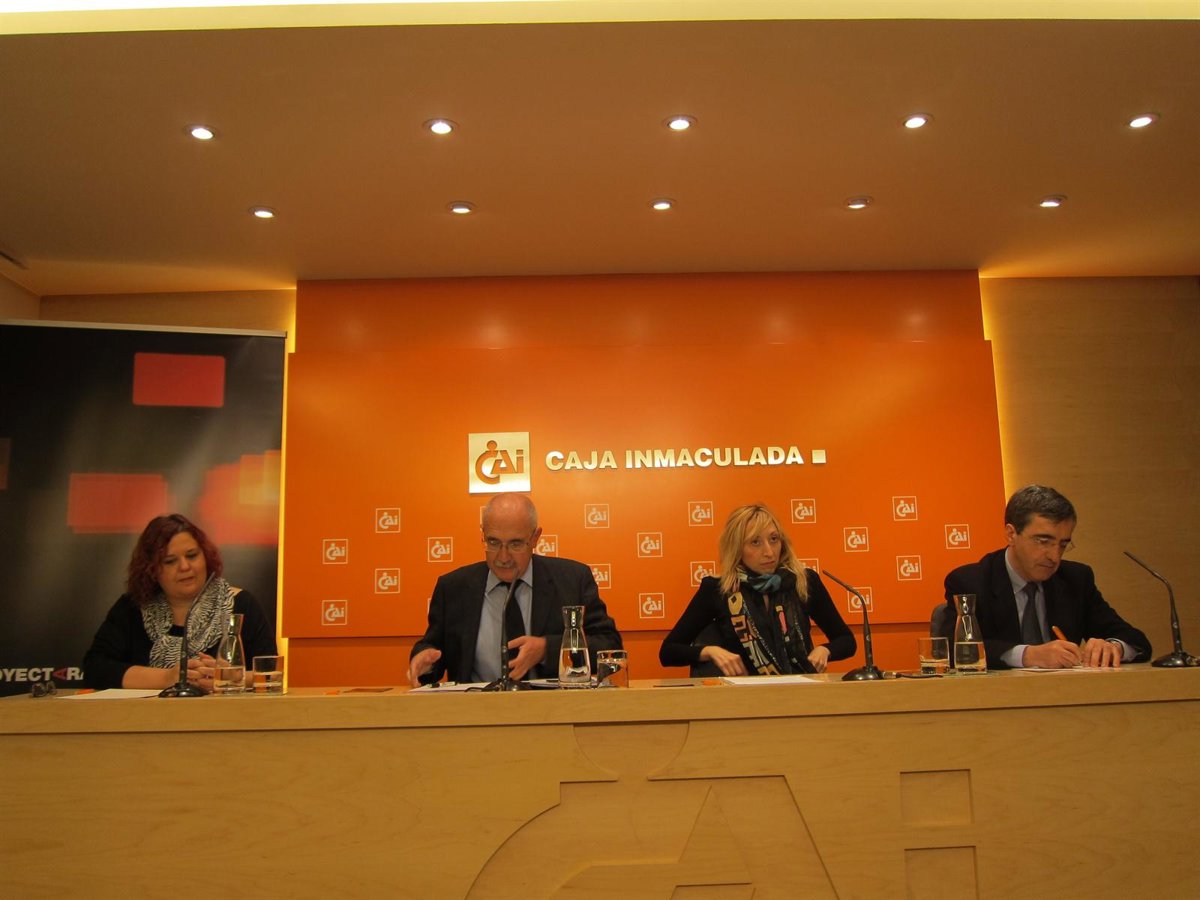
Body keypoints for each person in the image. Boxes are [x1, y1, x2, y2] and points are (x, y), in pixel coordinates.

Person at [408, 493, 622, 686]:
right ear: (483, 534)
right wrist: (424, 660)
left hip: (554, 710)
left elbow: (609, 648)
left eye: (515, 544)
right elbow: (433, 648)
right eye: (493, 542)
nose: (503, 557)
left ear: (535, 538)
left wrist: (547, 650)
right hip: (475, 711)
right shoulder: (453, 588)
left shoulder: (572, 580)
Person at [942, 484, 1150, 669]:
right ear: (1011, 534)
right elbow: (955, 649)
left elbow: (1137, 641)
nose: (1054, 557)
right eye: (1043, 541)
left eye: (1063, 544)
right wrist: (1028, 655)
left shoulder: (1075, 579)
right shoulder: (971, 582)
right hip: (997, 696)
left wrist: (1114, 647)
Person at [82, 514, 276, 690]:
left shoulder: (241, 604)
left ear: (206, 556)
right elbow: (95, 669)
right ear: (151, 569)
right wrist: (166, 678)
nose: (184, 567)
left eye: (192, 556)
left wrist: (234, 677)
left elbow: (272, 673)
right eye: (170, 561)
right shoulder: (132, 607)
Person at [659, 503, 856, 676]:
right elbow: (668, 652)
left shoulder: (803, 581)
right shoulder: (718, 589)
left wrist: (825, 650)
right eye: (755, 542)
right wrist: (709, 651)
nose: (769, 552)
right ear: (737, 548)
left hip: (802, 691)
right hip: (744, 699)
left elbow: (846, 640)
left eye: (774, 539)